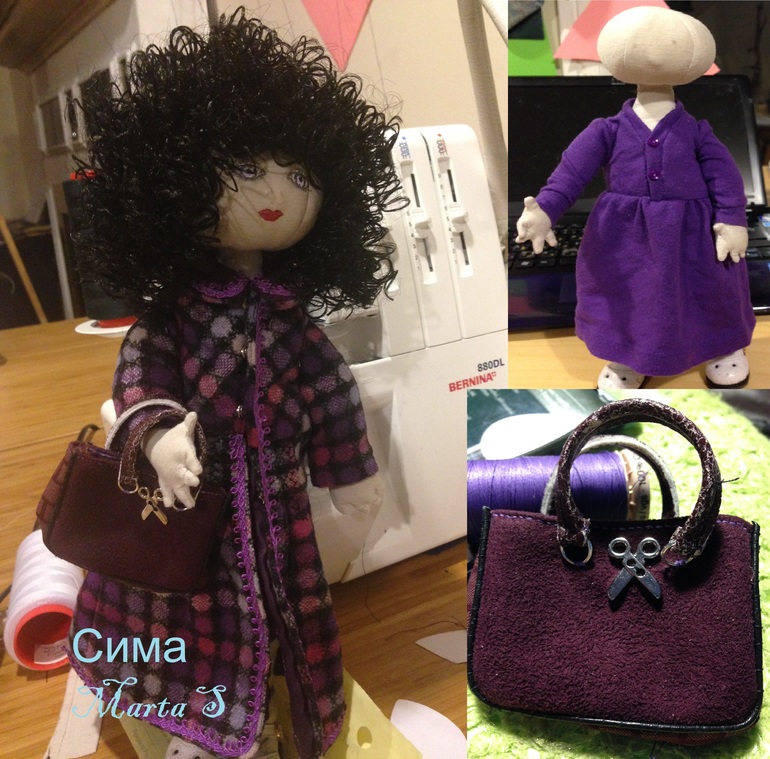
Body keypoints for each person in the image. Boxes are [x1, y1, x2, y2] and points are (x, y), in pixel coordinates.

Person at [67, 9, 405, 758]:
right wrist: (155, 436)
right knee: (186, 617)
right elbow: (140, 371)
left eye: (298, 174)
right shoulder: (175, 316)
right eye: (247, 171)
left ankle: (269, 713)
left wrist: (351, 473)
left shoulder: (292, 323)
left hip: (280, 511)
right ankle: (198, 724)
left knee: (286, 612)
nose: (276, 192)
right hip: (191, 508)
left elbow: (331, 392)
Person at [516, 6, 754, 389]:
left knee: (711, 288)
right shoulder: (605, 130)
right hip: (624, 236)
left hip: (693, 234)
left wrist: (732, 218)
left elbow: (724, 175)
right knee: (627, 295)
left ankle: (722, 346)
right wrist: (546, 208)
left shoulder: (697, 131)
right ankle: (628, 352)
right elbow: (571, 172)